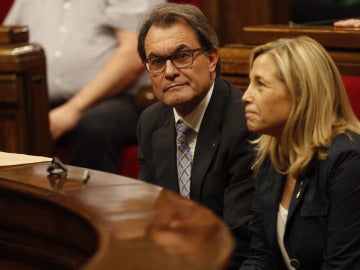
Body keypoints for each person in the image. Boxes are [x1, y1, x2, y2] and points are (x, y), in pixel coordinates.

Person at [136, 3, 256, 269]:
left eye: (182, 56)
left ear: (212, 58)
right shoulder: (151, 122)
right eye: (156, 62)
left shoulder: (244, 124)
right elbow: (151, 217)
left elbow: (240, 240)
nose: (169, 72)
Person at [240, 36, 360, 269]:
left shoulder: (349, 161)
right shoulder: (272, 152)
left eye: (260, 84)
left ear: (302, 93)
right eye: (249, 83)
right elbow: (261, 256)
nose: (245, 96)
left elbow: (342, 266)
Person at [3, 0, 164, 173]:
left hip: (121, 97)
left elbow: (134, 54)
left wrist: (73, 109)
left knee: (93, 127)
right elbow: (6, 42)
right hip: (41, 99)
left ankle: (89, 199)